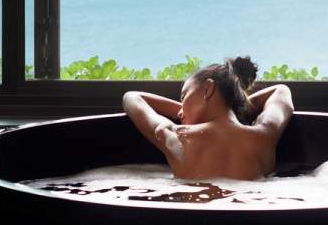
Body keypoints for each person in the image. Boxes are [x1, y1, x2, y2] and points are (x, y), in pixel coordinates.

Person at [122, 56, 294, 181]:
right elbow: (281, 90)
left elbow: (132, 98)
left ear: (207, 89)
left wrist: (181, 110)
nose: (180, 112)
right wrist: (236, 108)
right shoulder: (263, 136)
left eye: (184, 97)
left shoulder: (179, 138)